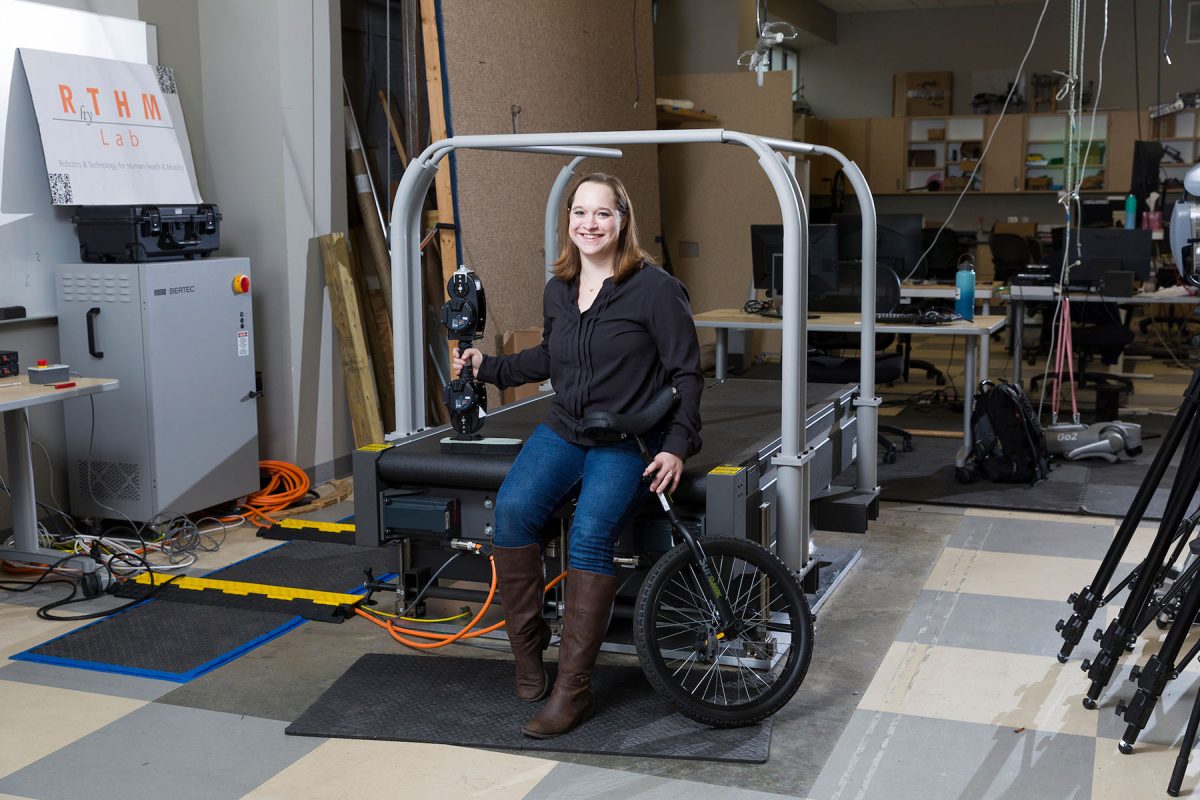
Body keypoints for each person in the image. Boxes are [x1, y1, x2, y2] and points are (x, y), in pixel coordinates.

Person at [452, 173, 702, 738]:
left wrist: (677, 445)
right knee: (513, 513)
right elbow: (551, 357)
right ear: (569, 222)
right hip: (567, 427)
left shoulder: (656, 289)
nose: (590, 224)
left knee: (590, 531)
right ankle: (528, 650)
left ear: (623, 221)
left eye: (603, 214)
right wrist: (486, 368)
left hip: (628, 438)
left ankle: (574, 690)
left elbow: (688, 373)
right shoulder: (559, 289)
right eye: (580, 213)